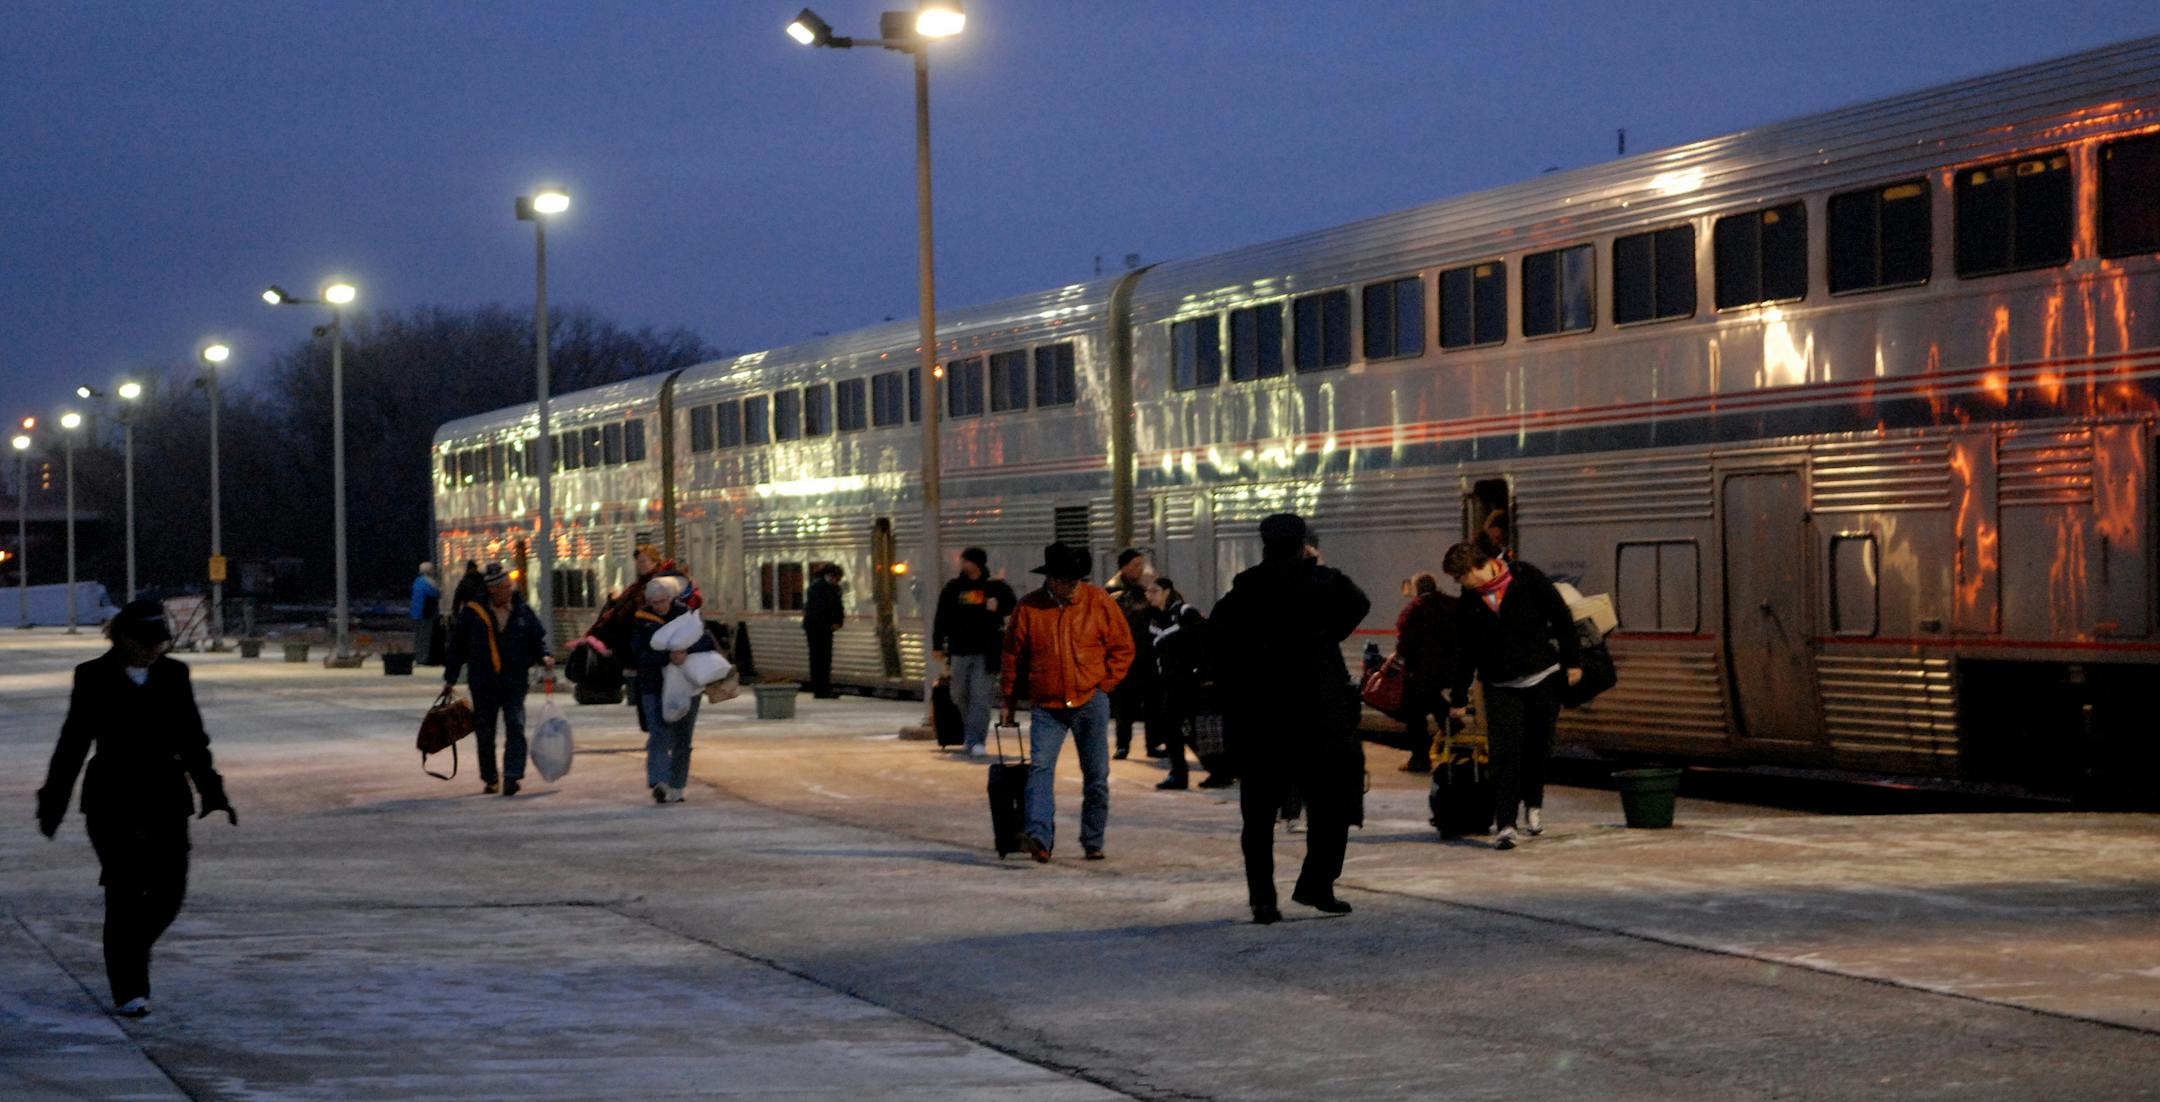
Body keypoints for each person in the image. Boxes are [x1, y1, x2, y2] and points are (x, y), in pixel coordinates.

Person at [36, 600, 237, 1018]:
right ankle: (129, 987)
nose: (153, 650)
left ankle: (130, 949)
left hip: (165, 794)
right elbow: (73, 742)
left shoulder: (175, 674)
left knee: (169, 890)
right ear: (123, 638)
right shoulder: (92, 676)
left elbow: (192, 738)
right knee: (124, 890)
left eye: (158, 643)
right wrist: (53, 802)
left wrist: (211, 791)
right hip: (111, 797)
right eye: (145, 643)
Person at [1207, 514, 1370, 925]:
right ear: (1303, 545)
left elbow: (1215, 640)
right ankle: (1317, 884)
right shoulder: (1323, 582)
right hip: (1319, 717)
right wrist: (1330, 633)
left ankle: (1264, 900)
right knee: (1330, 808)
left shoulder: (1245, 590)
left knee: (1259, 817)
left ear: (1264, 545)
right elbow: (1359, 603)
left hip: (1262, 720)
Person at [1443, 540, 1582, 850]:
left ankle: (1533, 803)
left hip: (1542, 677)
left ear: (1478, 567)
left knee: (1537, 746)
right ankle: (1505, 823)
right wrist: (1458, 698)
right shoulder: (1470, 600)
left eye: (1460, 577)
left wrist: (1573, 661)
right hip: (1500, 685)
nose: (1459, 584)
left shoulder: (1527, 578)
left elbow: (1561, 618)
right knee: (1505, 754)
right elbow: (1465, 651)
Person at [1000, 542, 1135, 863]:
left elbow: (1123, 647)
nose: (1071, 588)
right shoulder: (1029, 608)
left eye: (1075, 581)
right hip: (1047, 704)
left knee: (1097, 776)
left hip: (1090, 698)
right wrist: (1009, 700)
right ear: (1049, 579)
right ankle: (1039, 837)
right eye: (1064, 581)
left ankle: (1093, 840)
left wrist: (1105, 684)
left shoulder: (1099, 602)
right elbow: (1012, 657)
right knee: (1040, 771)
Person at [442, 563, 555, 796]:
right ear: (492, 589)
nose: (509, 591)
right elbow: (457, 647)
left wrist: (544, 656)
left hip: (515, 680)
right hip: (483, 681)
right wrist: (450, 678)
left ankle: (512, 775)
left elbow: (537, 638)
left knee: (516, 725)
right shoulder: (473, 613)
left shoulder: (523, 611)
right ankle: (490, 777)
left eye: (509, 586)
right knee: (485, 732)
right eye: (503, 587)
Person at [632, 576, 715, 804]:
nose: (658, 606)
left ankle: (677, 786)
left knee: (682, 738)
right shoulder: (641, 621)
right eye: (654, 602)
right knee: (658, 733)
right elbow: (639, 654)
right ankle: (660, 781)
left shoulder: (687, 617)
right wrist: (666, 657)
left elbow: (706, 643)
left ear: (671, 598)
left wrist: (685, 652)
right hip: (654, 685)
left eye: (662, 601)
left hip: (686, 687)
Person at [931, 547, 1017, 758]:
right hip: (959, 650)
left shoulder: (995, 587)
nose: (963, 564)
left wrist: (999, 606)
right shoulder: (953, 588)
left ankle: (976, 740)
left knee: (981, 696)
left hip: (986, 652)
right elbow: (941, 617)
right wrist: (937, 645)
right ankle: (971, 735)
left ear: (976, 563)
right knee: (958, 694)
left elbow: (1014, 606)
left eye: (966, 560)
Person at [1393, 572, 1463, 772]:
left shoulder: (1415, 609)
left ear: (1417, 589)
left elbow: (1405, 641)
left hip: (1422, 671)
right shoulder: (1452, 604)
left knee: (1414, 715)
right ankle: (1449, 722)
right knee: (1429, 697)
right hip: (1449, 669)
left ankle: (1420, 760)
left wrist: (1396, 664)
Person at [1142, 576, 1207, 790]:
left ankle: (1218, 770)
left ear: (1167, 591)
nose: (1148, 595)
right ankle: (1179, 774)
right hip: (1166, 683)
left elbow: (1201, 643)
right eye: (1147, 591)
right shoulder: (1152, 618)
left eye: (1154, 591)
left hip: (1189, 681)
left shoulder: (1185, 613)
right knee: (1173, 729)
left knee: (1193, 730)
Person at [1103, 548, 1156, 759]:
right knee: (1125, 702)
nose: (1140, 569)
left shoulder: (1148, 587)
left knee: (1153, 699)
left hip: (1147, 650)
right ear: (1123, 567)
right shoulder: (1112, 590)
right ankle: (1123, 743)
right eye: (1135, 565)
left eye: (1141, 565)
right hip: (1125, 653)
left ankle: (1154, 743)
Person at [802, 563, 845, 699]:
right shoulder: (817, 587)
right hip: (816, 628)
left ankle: (824, 687)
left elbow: (838, 607)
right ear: (830, 575)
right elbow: (818, 609)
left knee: (825, 658)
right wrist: (830, 623)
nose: (836, 580)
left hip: (825, 628)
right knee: (818, 658)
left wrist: (838, 622)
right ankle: (820, 689)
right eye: (836, 577)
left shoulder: (833, 587)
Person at [410, 562, 442, 666]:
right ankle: (423, 658)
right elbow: (436, 593)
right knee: (425, 638)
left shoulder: (417, 581)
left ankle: (418, 657)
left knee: (418, 637)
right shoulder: (428, 582)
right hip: (426, 614)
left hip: (416, 613)